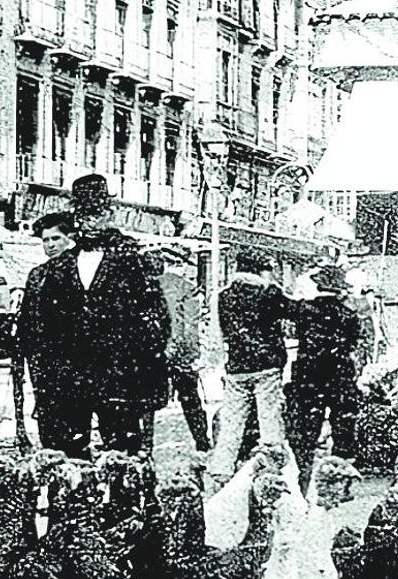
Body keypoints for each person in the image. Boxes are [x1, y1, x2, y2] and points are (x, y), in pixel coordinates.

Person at [24, 175, 170, 457]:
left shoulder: (132, 259)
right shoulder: (59, 267)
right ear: (76, 218)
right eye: (83, 215)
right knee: (70, 458)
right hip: (72, 380)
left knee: (122, 456)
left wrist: (144, 374)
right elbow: (46, 328)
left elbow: (154, 321)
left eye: (96, 214)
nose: (90, 223)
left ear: (109, 214)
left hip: (118, 377)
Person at [209, 251, 290, 490]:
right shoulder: (268, 294)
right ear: (260, 270)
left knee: (232, 421)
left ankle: (221, 470)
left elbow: (219, 332)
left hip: (237, 368)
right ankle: (270, 466)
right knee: (269, 417)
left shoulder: (222, 296)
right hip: (267, 366)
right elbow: (294, 311)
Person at [286, 262, 363, 493]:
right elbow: (353, 342)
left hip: (309, 375)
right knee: (343, 427)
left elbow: (294, 333)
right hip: (339, 375)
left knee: (306, 431)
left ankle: (302, 478)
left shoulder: (304, 310)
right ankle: (339, 481)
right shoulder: (349, 314)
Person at [12, 211, 75, 453]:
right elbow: (28, 314)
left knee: (72, 421)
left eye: (55, 239)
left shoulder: (78, 270)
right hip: (41, 359)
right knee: (47, 416)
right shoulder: (37, 275)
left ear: (69, 238)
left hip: (71, 358)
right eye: (45, 240)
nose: (50, 245)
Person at [156, 247, 211, 453]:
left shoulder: (153, 285)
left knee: (147, 403)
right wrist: (192, 354)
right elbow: (190, 326)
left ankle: (144, 447)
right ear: (183, 265)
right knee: (190, 399)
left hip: (155, 352)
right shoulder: (189, 289)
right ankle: (202, 442)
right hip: (179, 354)